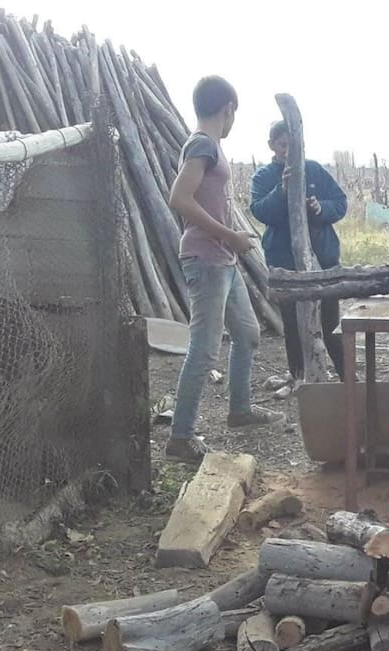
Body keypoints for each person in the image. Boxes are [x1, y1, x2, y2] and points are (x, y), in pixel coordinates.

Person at [165, 75, 284, 464]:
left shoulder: (208, 145)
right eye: (235, 113)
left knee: (247, 333)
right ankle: (180, 437)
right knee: (204, 349)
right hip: (206, 257)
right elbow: (179, 198)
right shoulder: (202, 144)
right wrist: (228, 235)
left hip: (223, 260)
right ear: (227, 108)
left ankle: (240, 410)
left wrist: (232, 237)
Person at [250, 121, 348, 387]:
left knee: (330, 324)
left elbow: (340, 203)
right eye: (284, 145)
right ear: (271, 145)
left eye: (296, 146)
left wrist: (320, 208)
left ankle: (346, 377)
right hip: (285, 263)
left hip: (323, 260)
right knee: (292, 326)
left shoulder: (314, 170)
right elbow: (260, 210)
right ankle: (298, 377)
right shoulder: (263, 177)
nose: (290, 152)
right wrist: (281, 191)